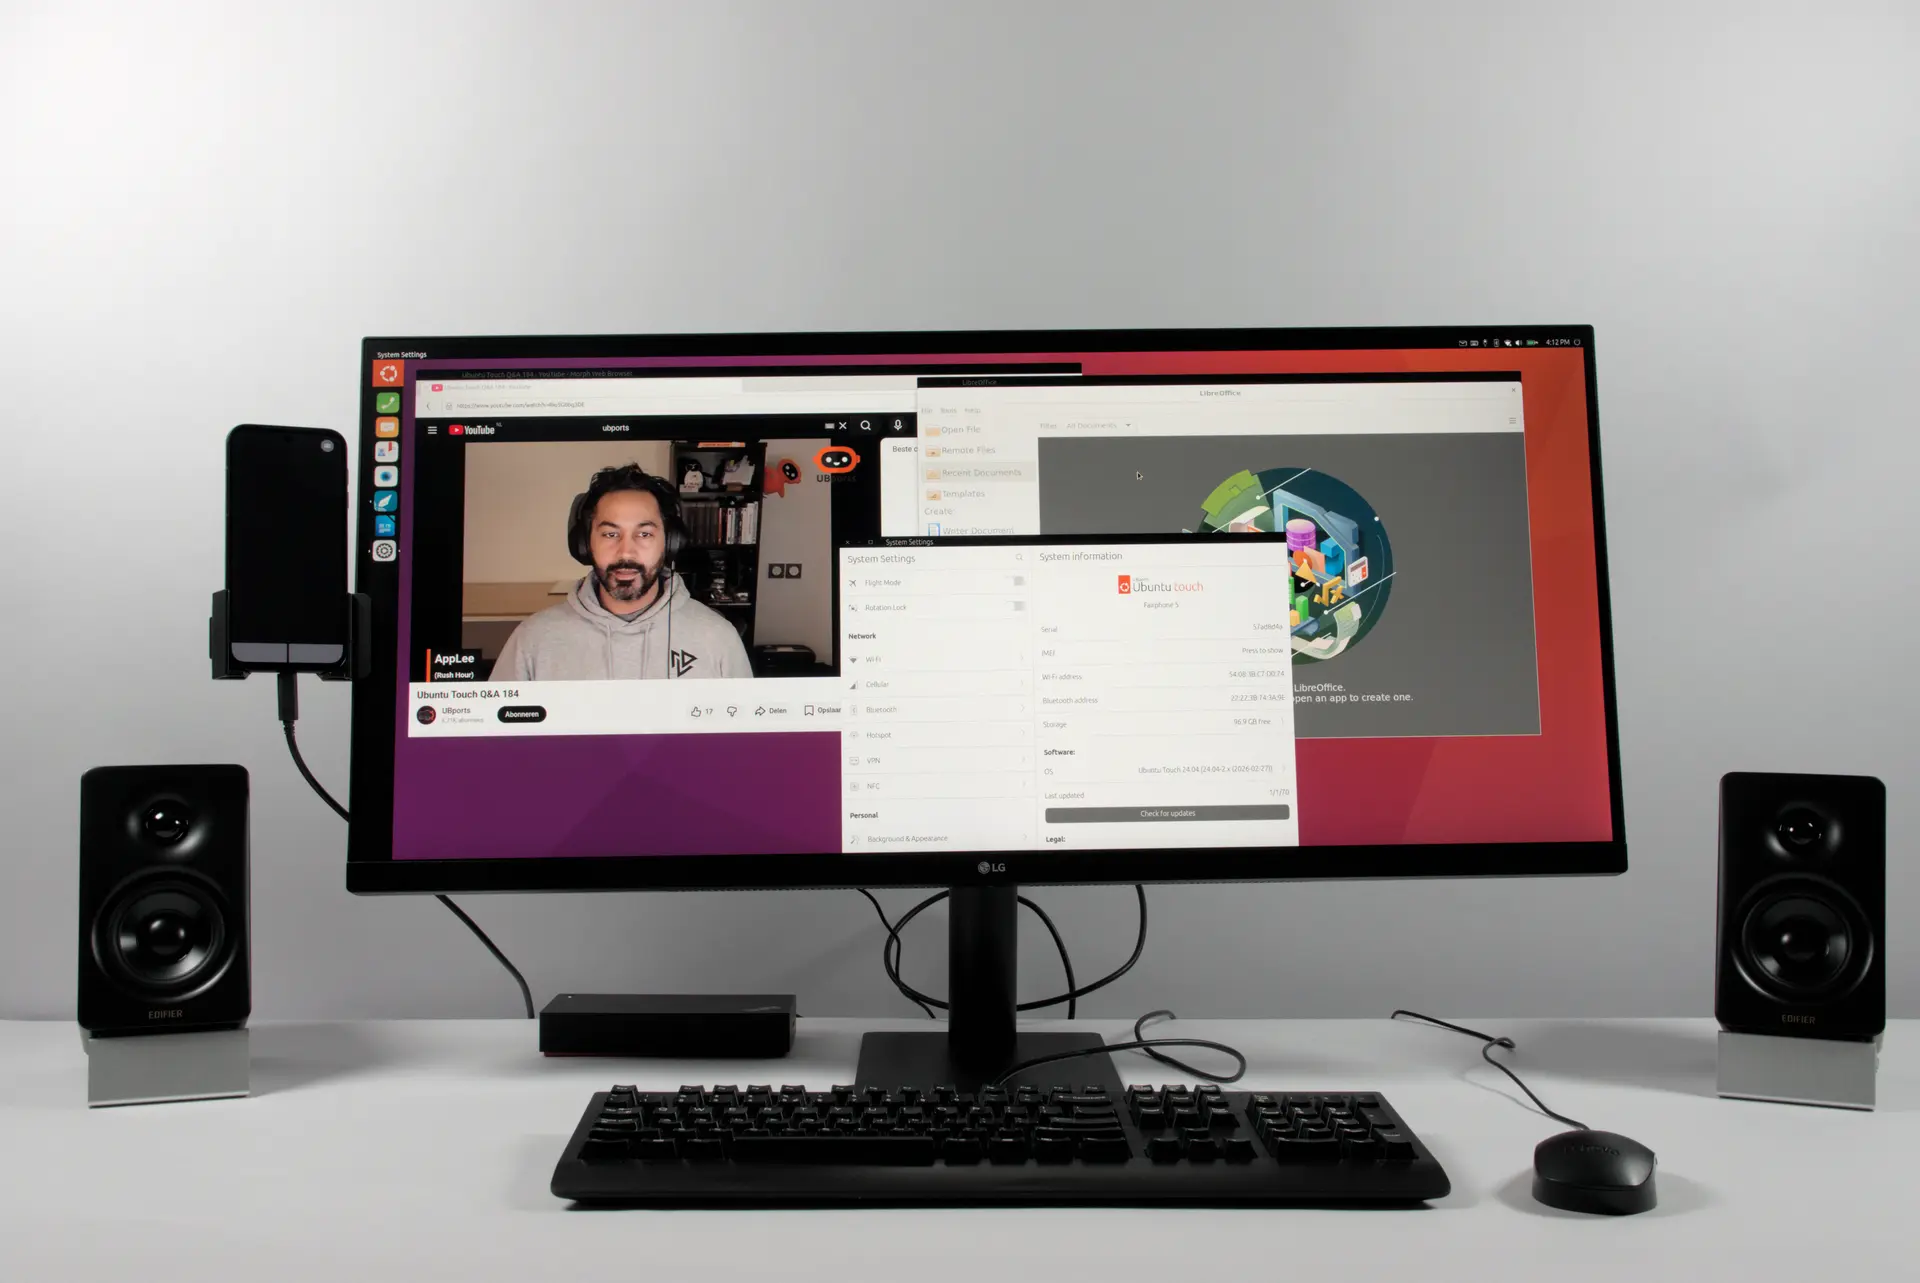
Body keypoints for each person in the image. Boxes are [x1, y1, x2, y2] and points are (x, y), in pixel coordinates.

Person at [491, 464, 752, 681]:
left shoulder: (717, 638)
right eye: (610, 534)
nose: (626, 552)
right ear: (585, 544)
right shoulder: (533, 640)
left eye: (644, 534)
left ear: (670, 543)